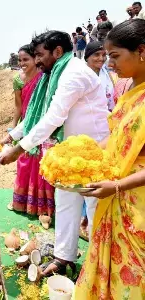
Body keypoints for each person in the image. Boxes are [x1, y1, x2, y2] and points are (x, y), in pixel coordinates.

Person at [0, 30, 110, 277]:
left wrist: (19, 149)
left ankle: (98, 269)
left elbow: (54, 117)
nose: (37, 61)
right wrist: (13, 136)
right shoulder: (55, 74)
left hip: (93, 153)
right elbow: (35, 116)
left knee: (94, 211)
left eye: (40, 55)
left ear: (58, 52)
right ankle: (64, 257)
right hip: (68, 154)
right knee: (65, 204)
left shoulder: (73, 74)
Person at [73, 19, 145, 299]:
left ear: (141, 50)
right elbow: (117, 137)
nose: (109, 64)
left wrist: (117, 187)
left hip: (135, 199)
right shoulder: (129, 90)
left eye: (115, 56)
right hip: (115, 193)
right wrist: (83, 151)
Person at [8, 45, 53, 221]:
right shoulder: (18, 80)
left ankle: (40, 207)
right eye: (19, 60)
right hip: (26, 124)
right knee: (24, 163)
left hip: (42, 126)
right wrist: (12, 129)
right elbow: (18, 106)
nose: (22, 63)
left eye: (26, 59)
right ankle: (21, 203)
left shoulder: (44, 78)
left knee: (40, 165)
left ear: (35, 59)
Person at [85, 41, 115, 111]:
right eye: (96, 54)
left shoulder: (106, 72)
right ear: (87, 57)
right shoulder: (82, 76)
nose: (101, 58)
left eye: (104, 55)